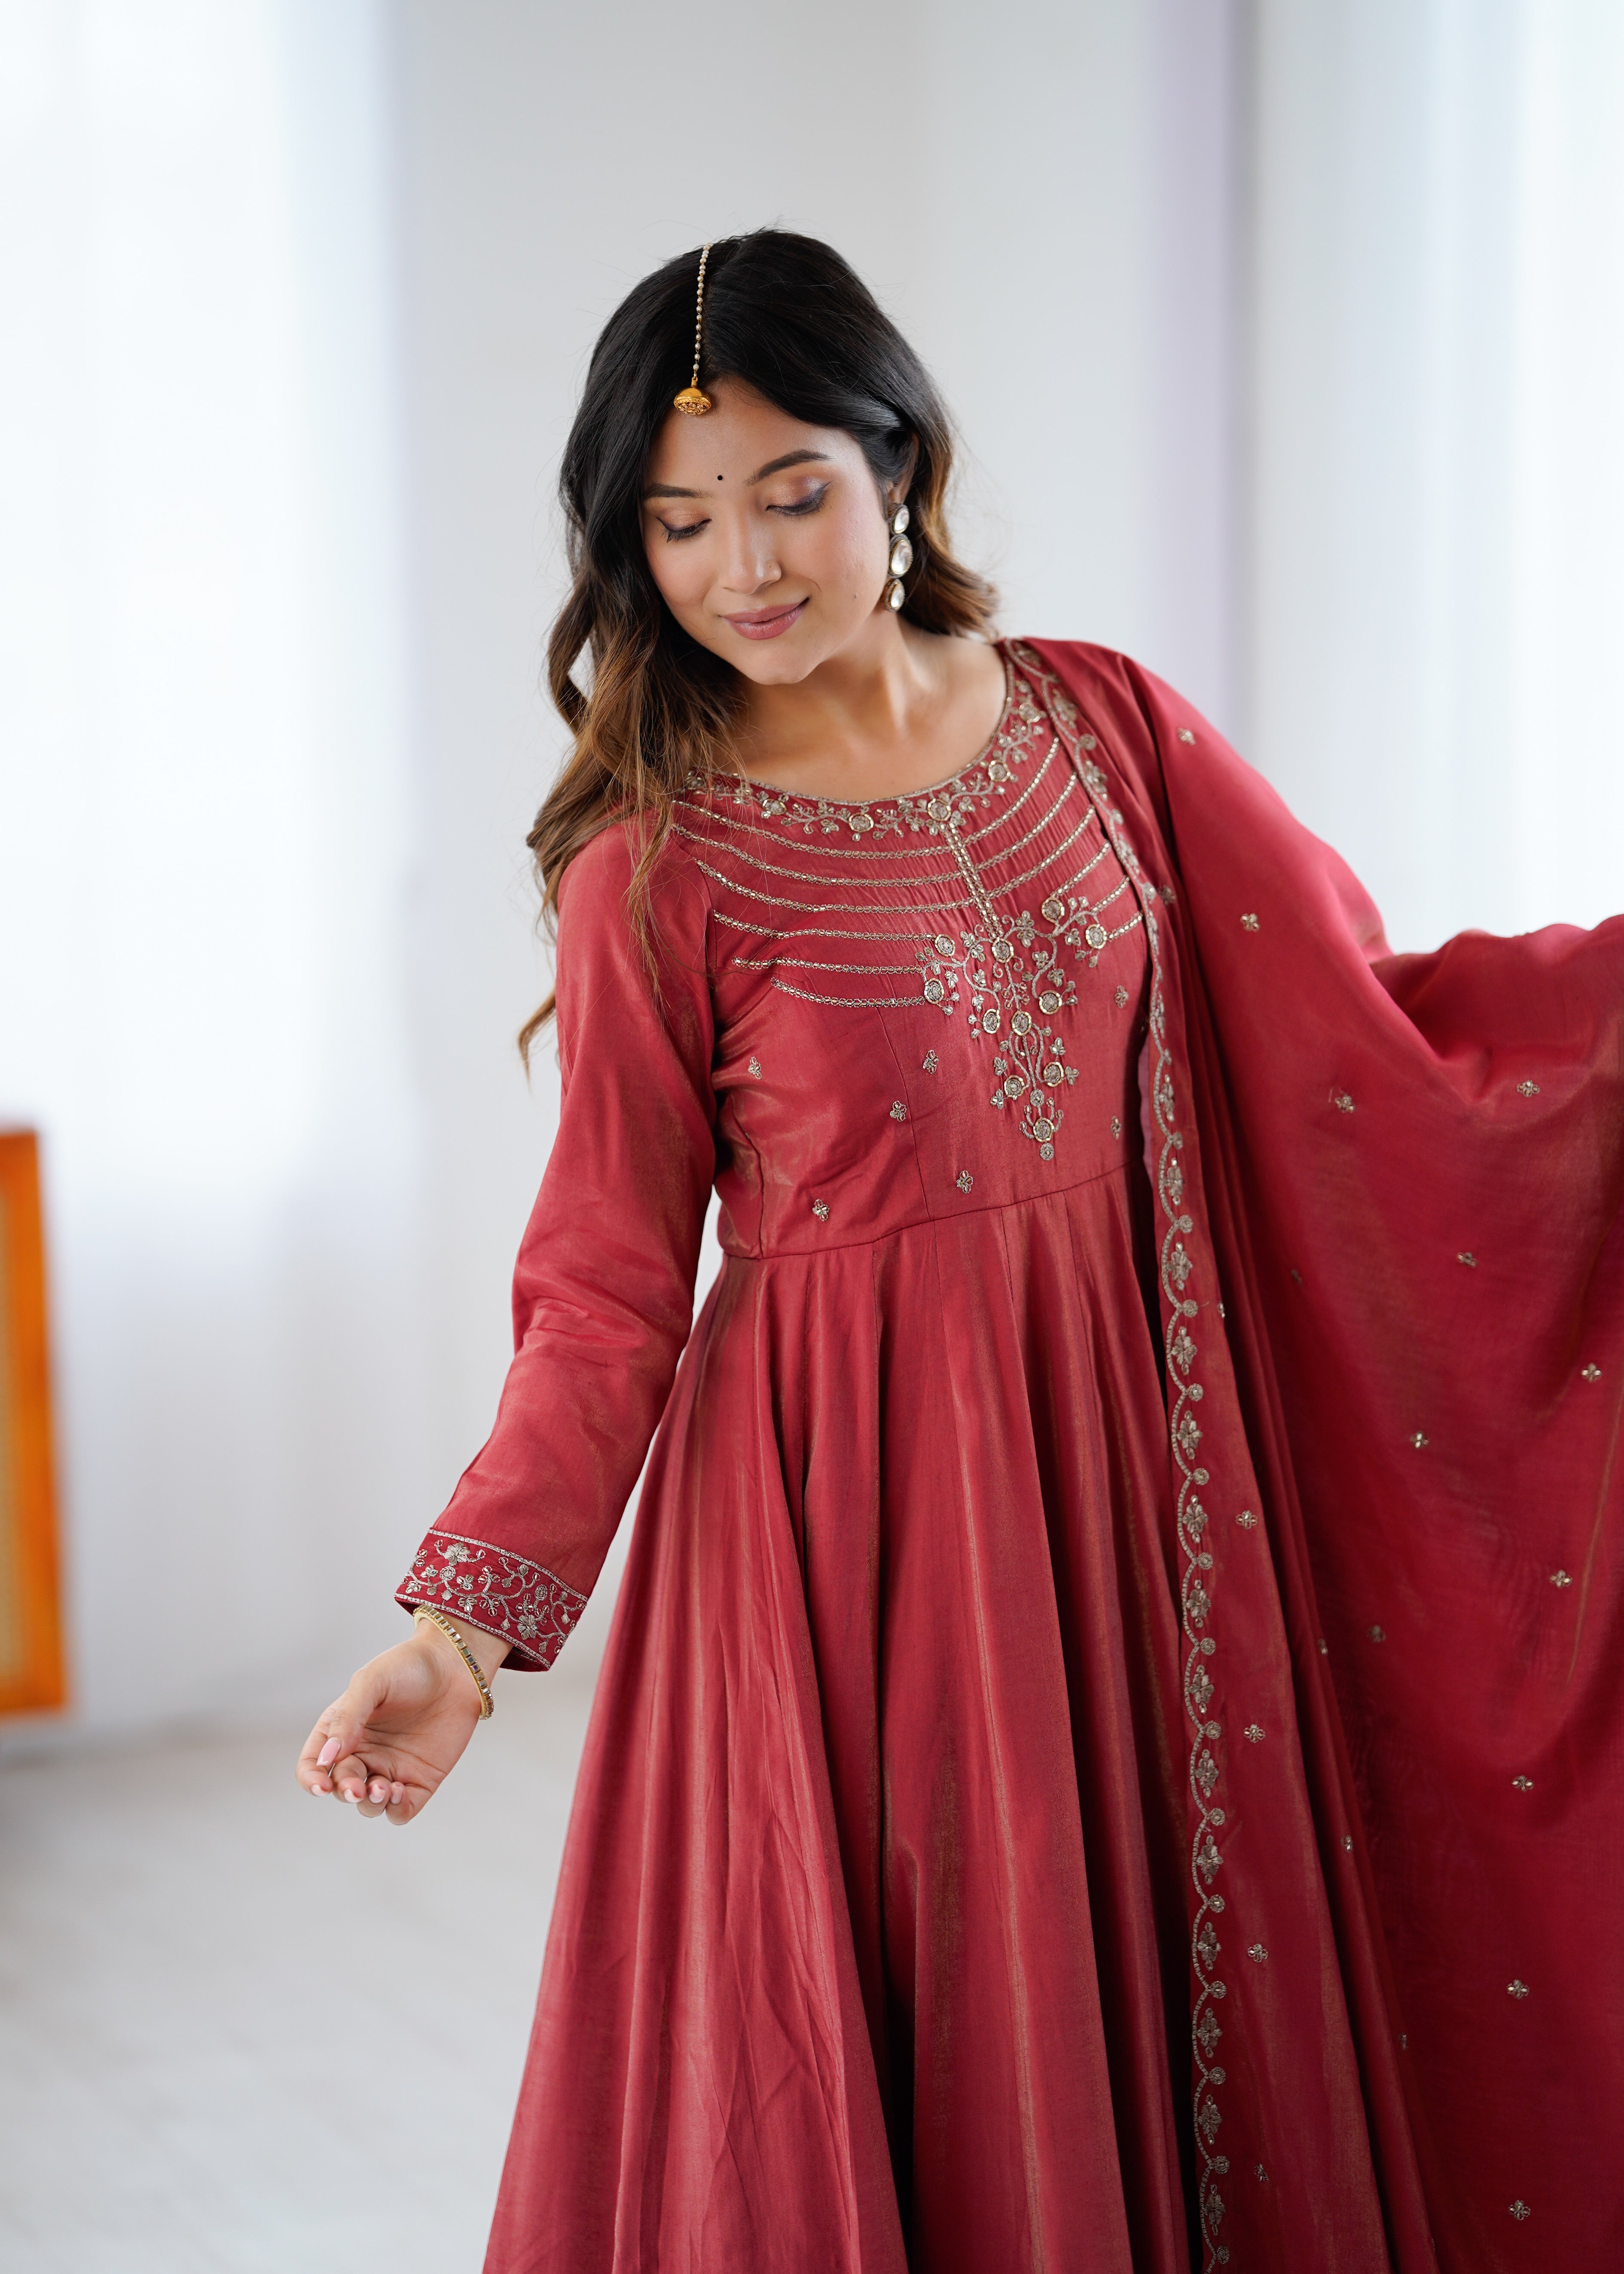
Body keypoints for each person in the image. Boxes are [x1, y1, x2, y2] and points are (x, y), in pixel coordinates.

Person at [297, 232, 1624, 2274]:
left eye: (789, 491)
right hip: (861, 1556)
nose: (743, 564)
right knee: (938, 2036)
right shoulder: (657, 870)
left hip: (1150, 1483)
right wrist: (463, 1630)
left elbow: (1363, 1029)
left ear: (897, 463)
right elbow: (609, 1287)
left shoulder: (1107, 731)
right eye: (678, 523)